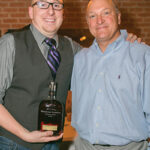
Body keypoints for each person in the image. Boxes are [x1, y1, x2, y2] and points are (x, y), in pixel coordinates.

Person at [0, 0, 143, 150]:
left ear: (63, 12)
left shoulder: (72, 48)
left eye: (56, 5)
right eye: (43, 4)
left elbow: (101, 60)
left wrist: (124, 43)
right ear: (31, 11)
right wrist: (24, 134)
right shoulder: (10, 44)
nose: (50, 11)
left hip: (54, 143)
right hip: (14, 143)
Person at [71, 0, 150, 150]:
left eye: (106, 13)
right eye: (93, 16)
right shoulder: (80, 59)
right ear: (88, 22)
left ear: (119, 18)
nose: (99, 20)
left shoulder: (143, 55)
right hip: (84, 145)